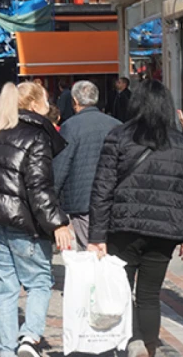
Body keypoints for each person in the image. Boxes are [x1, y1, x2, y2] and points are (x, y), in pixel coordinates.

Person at [88, 80, 183, 357]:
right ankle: (148, 348)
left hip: (123, 227)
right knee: (150, 295)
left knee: (122, 291)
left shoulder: (118, 136)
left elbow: (102, 188)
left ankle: (132, 341)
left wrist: (96, 237)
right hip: (165, 231)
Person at [0, 82, 72, 357]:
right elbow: (39, 186)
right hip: (22, 225)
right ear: (36, 105)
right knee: (39, 282)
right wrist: (57, 222)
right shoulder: (36, 136)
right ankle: (29, 337)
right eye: (46, 101)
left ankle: (6, 351)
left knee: (4, 292)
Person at [52, 81, 121, 251]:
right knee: (109, 248)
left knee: (88, 249)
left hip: (81, 199)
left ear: (74, 101)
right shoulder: (116, 125)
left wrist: (52, 196)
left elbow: (61, 165)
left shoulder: (70, 126)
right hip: (112, 197)